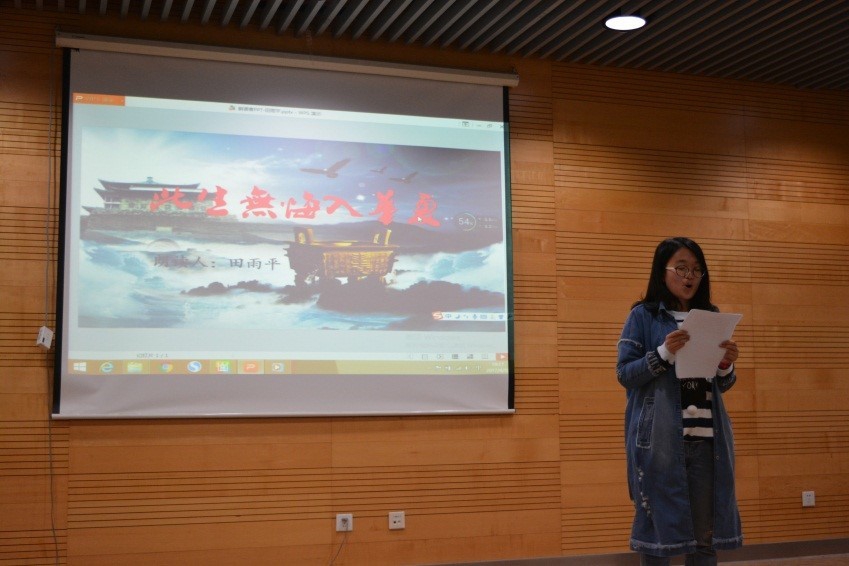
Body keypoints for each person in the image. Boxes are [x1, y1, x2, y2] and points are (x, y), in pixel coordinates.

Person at [616, 237, 742, 565]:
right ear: (663, 271)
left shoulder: (710, 317)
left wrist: (725, 364)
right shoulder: (643, 316)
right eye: (682, 268)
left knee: (704, 539)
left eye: (697, 270)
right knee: (658, 541)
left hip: (707, 440)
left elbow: (721, 384)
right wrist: (663, 353)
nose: (689, 277)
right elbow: (625, 374)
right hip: (661, 441)